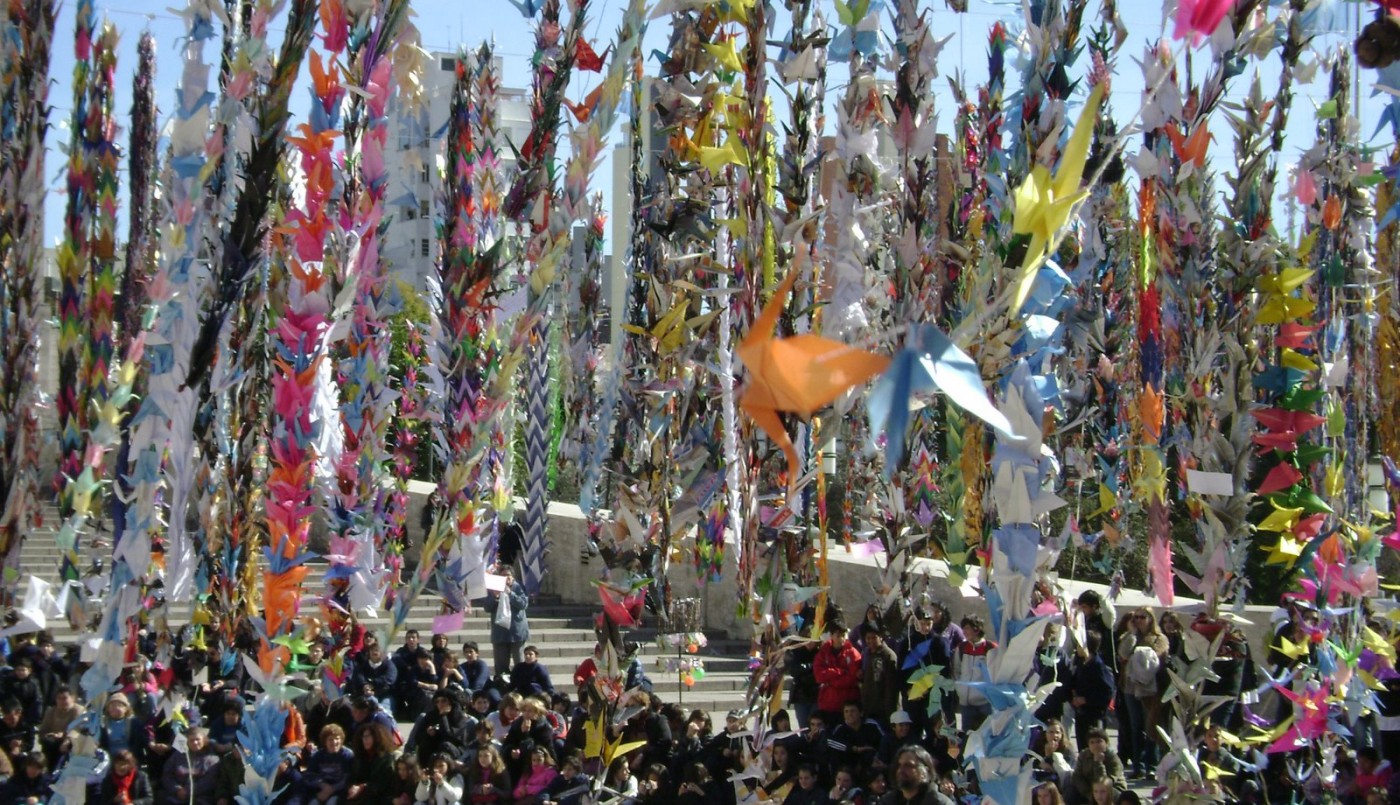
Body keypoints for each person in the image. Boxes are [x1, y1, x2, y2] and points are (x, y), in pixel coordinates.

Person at [1116, 609, 1167, 779]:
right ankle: (1138, 766)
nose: (1138, 620)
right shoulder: (1129, 637)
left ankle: (1151, 765)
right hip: (1130, 688)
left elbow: (1157, 658)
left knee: (1150, 727)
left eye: (1142, 617)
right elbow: (1122, 654)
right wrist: (1131, 634)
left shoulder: (1159, 639)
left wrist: (1137, 658)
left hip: (1149, 689)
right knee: (1135, 727)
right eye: (1135, 617)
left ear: (1150, 619)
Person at [1069, 633, 1115, 751]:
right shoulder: (1082, 663)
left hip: (1094, 714)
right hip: (1081, 713)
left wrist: (1086, 699)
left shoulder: (1098, 666)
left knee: (1094, 747)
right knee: (1083, 748)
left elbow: (1107, 691)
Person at [953, 615, 996, 732]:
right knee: (965, 735)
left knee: (985, 734)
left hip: (984, 703)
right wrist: (959, 688)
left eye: (967, 628)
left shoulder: (990, 648)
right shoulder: (961, 647)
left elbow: (995, 674)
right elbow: (956, 669)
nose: (964, 632)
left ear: (976, 629)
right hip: (965, 703)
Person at [485, 570, 531, 679]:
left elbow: (523, 604)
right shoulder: (494, 588)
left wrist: (510, 593)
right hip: (500, 633)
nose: (506, 578)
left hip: (516, 632)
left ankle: (520, 685)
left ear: (513, 577)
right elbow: (487, 607)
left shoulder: (519, 588)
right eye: (503, 576)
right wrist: (495, 597)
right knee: (501, 666)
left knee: (520, 664)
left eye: (508, 575)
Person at [814, 622, 862, 723]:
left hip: (848, 702)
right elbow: (819, 675)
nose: (842, 639)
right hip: (828, 704)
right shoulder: (823, 653)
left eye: (843, 635)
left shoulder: (853, 653)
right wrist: (840, 671)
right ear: (831, 636)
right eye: (838, 635)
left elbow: (852, 677)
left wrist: (831, 681)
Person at [158, 726, 220, 805]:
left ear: (204, 740)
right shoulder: (177, 755)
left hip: (201, 798)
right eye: (191, 740)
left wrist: (188, 791)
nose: (195, 743)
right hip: (176, 796)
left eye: (197, 739)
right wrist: (177, 789)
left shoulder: (213, 759)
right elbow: (167, 775)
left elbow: (209, 781)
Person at [877, 746, 953, 805]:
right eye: (899, 765)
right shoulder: (887, 801)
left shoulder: (940, 803)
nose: (901, 770)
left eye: (908, 765)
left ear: (925, 771)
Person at [300, 724, 355, 804]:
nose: (334, 742)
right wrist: (322, 785)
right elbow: (309, 775)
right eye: (330, 739)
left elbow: (348, 778)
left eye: (337, 739)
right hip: (321, 788)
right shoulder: (318, 755)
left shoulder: (347, 755)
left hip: (339, 790)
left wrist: (332, 789)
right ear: (325, 741)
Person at [1069, 730, 1126, 805]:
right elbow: (1077, 777)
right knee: (1071, 791)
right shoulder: (1083, 755)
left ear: (1106, 743)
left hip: (1110, 789)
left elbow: (1104, 782)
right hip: (1090, 790)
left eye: (1099, 741)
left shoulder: (1113, 758)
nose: (1095, 745)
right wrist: (1089, 793)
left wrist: (1098, 763)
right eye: (1092, 742)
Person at [347, 722, 400, 801]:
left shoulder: (386, 759)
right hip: (359, 796)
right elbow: (353, 778)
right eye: (363, 737)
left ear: (377, 737)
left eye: (368, 736)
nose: (365, 739)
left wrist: (363, 788)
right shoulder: (360, 758)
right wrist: (352, 787)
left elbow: (382, 785)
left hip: (379, 799)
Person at [859, 627, 900, 725]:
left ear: (881, 637)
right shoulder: (868, 654)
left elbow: (891, 687)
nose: (870, 641)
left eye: (874, 638)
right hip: (870, 706)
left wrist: (890, 711)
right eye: (868, 638)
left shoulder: (888, 656)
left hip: (883, 709)